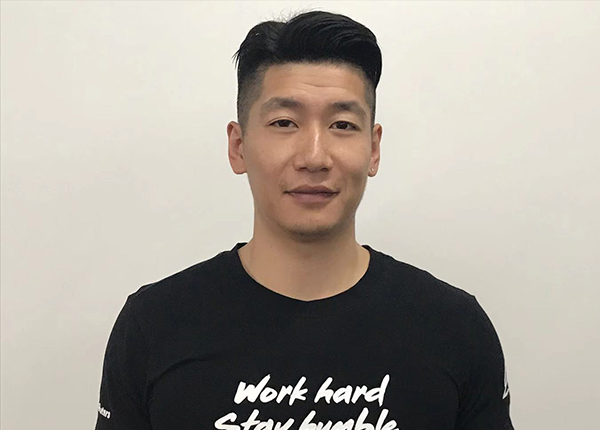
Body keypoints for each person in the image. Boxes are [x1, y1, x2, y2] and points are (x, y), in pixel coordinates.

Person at [95, 9, 515, 430]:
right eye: (284, 122)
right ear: (238, 147)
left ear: (373, 150)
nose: (314, 157)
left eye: (342, 124)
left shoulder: (455, 328)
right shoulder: (154, 324)